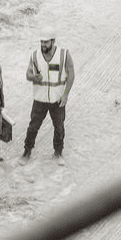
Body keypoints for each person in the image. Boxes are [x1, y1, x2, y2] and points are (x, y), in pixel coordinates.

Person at [22, 27, 75, 165]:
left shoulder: (64, 55)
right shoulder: (34, 56)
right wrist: (34, 77)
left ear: (53, 41)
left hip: (57, 99)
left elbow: (71, 75)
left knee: (59, 127)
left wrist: (65, 95)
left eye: (46, 42)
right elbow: (27, 75)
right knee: (33, 126)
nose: (43, 45)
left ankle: (58, 152)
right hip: (40, 99)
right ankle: (27, 151)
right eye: (41, 42)